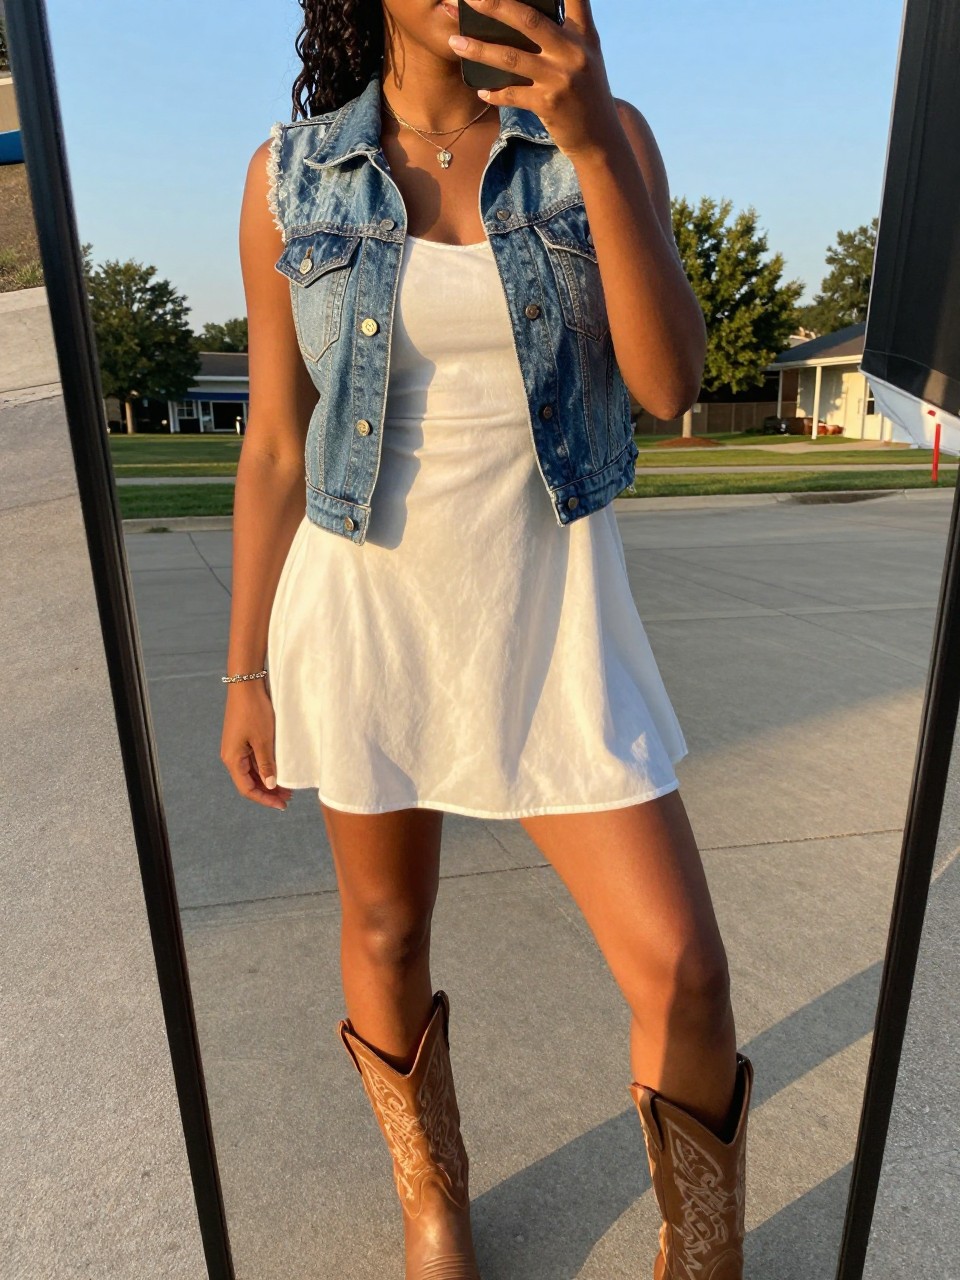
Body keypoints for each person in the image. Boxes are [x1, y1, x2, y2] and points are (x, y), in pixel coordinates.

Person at [220, 0, 754, 1275]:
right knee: (388, 931)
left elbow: (670, 384)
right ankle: (432, 1199)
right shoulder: (289, 177)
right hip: (364, 614)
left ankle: (705, 1255)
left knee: (682, 968)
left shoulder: (598, 137)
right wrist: (245, 665)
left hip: (552, 610)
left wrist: (594, 140)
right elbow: (278, 443)